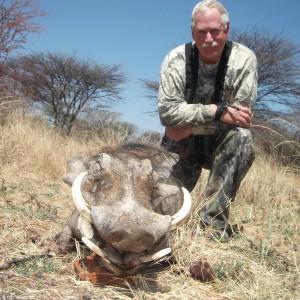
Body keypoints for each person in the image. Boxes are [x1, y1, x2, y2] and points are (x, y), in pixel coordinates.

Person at [158, 0, 257, 240]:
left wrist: (186, 126)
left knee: (242, 138)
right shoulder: (176, 59)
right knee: (162, 211)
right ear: (193, 32)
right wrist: (217, 110)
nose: (209, 38)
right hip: (183, 145)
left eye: (215, 31)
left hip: (215, 142)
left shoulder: (244, 59)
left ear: (227, 29)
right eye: (201, 32)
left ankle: (213, 225)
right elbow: (167, 113)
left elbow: (240, 118)